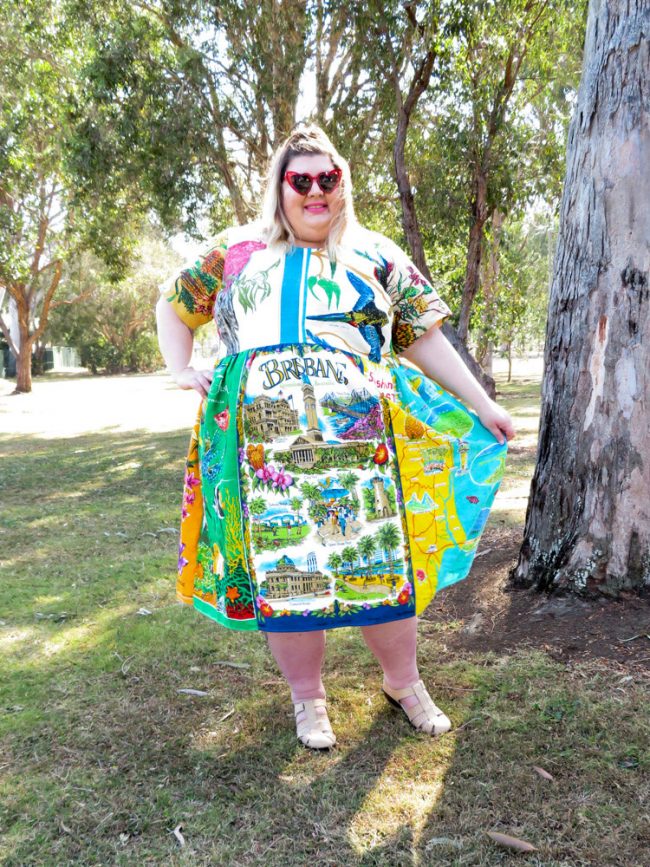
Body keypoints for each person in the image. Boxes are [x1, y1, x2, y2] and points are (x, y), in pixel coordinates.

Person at [156, 125, 515, 751]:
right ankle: (307, 700)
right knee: (283, 568)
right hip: (263, 453)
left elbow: (424, 335)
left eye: (330, 178)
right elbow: (174, 303)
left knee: (376, 563)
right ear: (281, 187)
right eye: (301, 180)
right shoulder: (235, 251)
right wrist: (182, 369)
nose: (316, 190)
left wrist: (481, 403)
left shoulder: (376, 253)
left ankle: (404, 683)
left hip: (361, 445)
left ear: (343, 184)